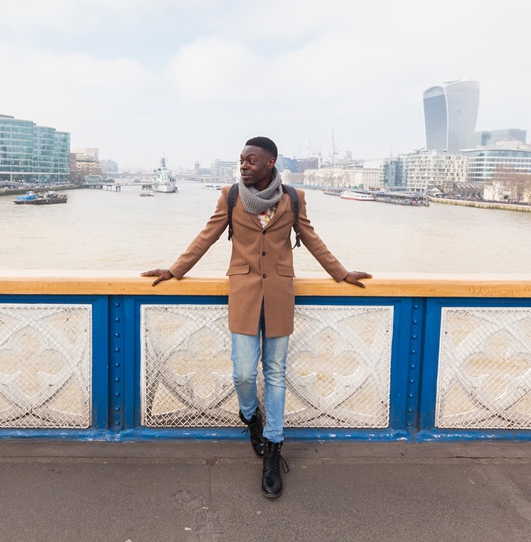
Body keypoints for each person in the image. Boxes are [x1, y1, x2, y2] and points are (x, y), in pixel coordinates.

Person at [142, 136, 370, 498]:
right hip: (245, 293)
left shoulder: (293, 198)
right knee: (243, 372)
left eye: (251, 161)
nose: (244, 165)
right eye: (241, 160)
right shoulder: (231, 196)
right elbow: (207, 236)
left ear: (270, 163)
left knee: (275, 372)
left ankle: (274, 446)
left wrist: (341, 273)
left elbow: (310, 238)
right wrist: (175, 269)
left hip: (279, 294)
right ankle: (251, 416)